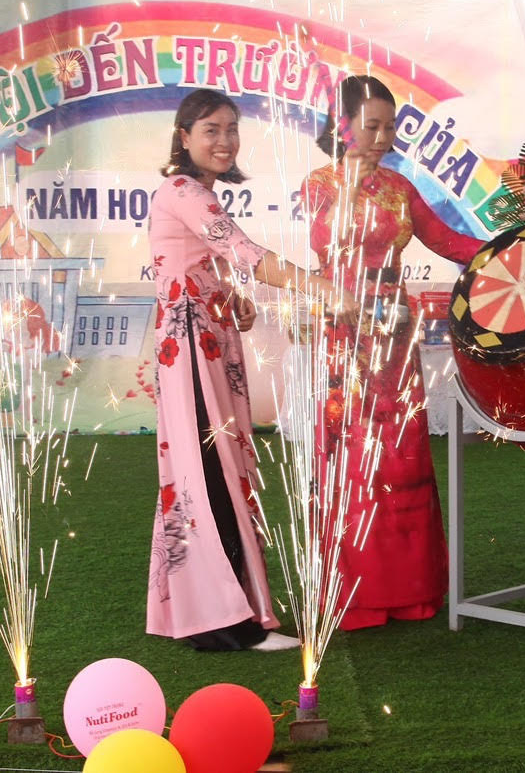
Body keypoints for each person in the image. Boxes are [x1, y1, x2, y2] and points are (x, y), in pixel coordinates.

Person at [146, 88, 357, 651]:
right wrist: (321, 287)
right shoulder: (183, 190)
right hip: (191, 351)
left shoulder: (197, 193)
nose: (225, 140)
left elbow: (198, 264)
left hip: (202, 343)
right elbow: (245, 252)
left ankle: (217, 613)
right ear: (184, 137)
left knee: (214, 470)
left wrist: (229, 295)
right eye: (210, 130)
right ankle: (228, 625)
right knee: (211, 473)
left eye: (231, 129)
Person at [303, 74, 485, 631]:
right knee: (354, 454)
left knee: (400, 453)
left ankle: (410, 589)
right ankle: (354, 593)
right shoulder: (320, 184)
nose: (383, 138)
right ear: (343, 127)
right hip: (343, 329)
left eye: (390, 127)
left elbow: (450, 241)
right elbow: (326, 242)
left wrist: (517, 244)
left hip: (395, 332)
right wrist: (354, 184)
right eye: (371, 126)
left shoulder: (400, 187)